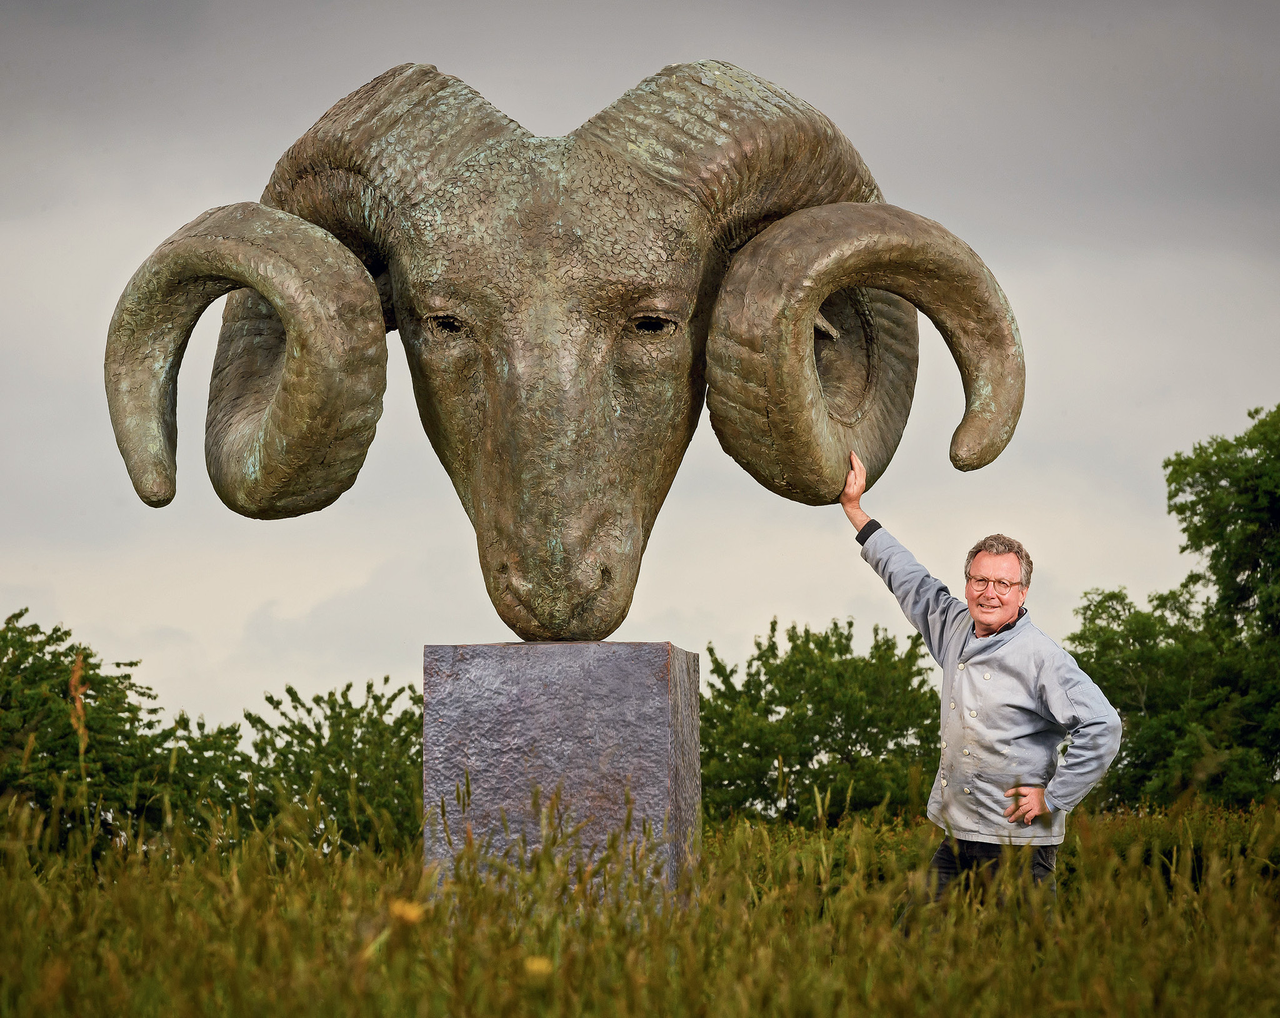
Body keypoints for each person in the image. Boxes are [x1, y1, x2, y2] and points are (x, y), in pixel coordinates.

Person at [839, 451, 1121, 897]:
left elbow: (1103, 726)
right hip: (959, 835)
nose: (989, 593)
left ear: (1022, 591)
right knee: (921, 939)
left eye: (1003, 584)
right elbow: (908, 577)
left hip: (1019, 842)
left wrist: (1054, 797)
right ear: (967, 582)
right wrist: (855, 510)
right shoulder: (953, 625)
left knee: (1027, 955)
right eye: (979, 580)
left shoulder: (1041, 657)